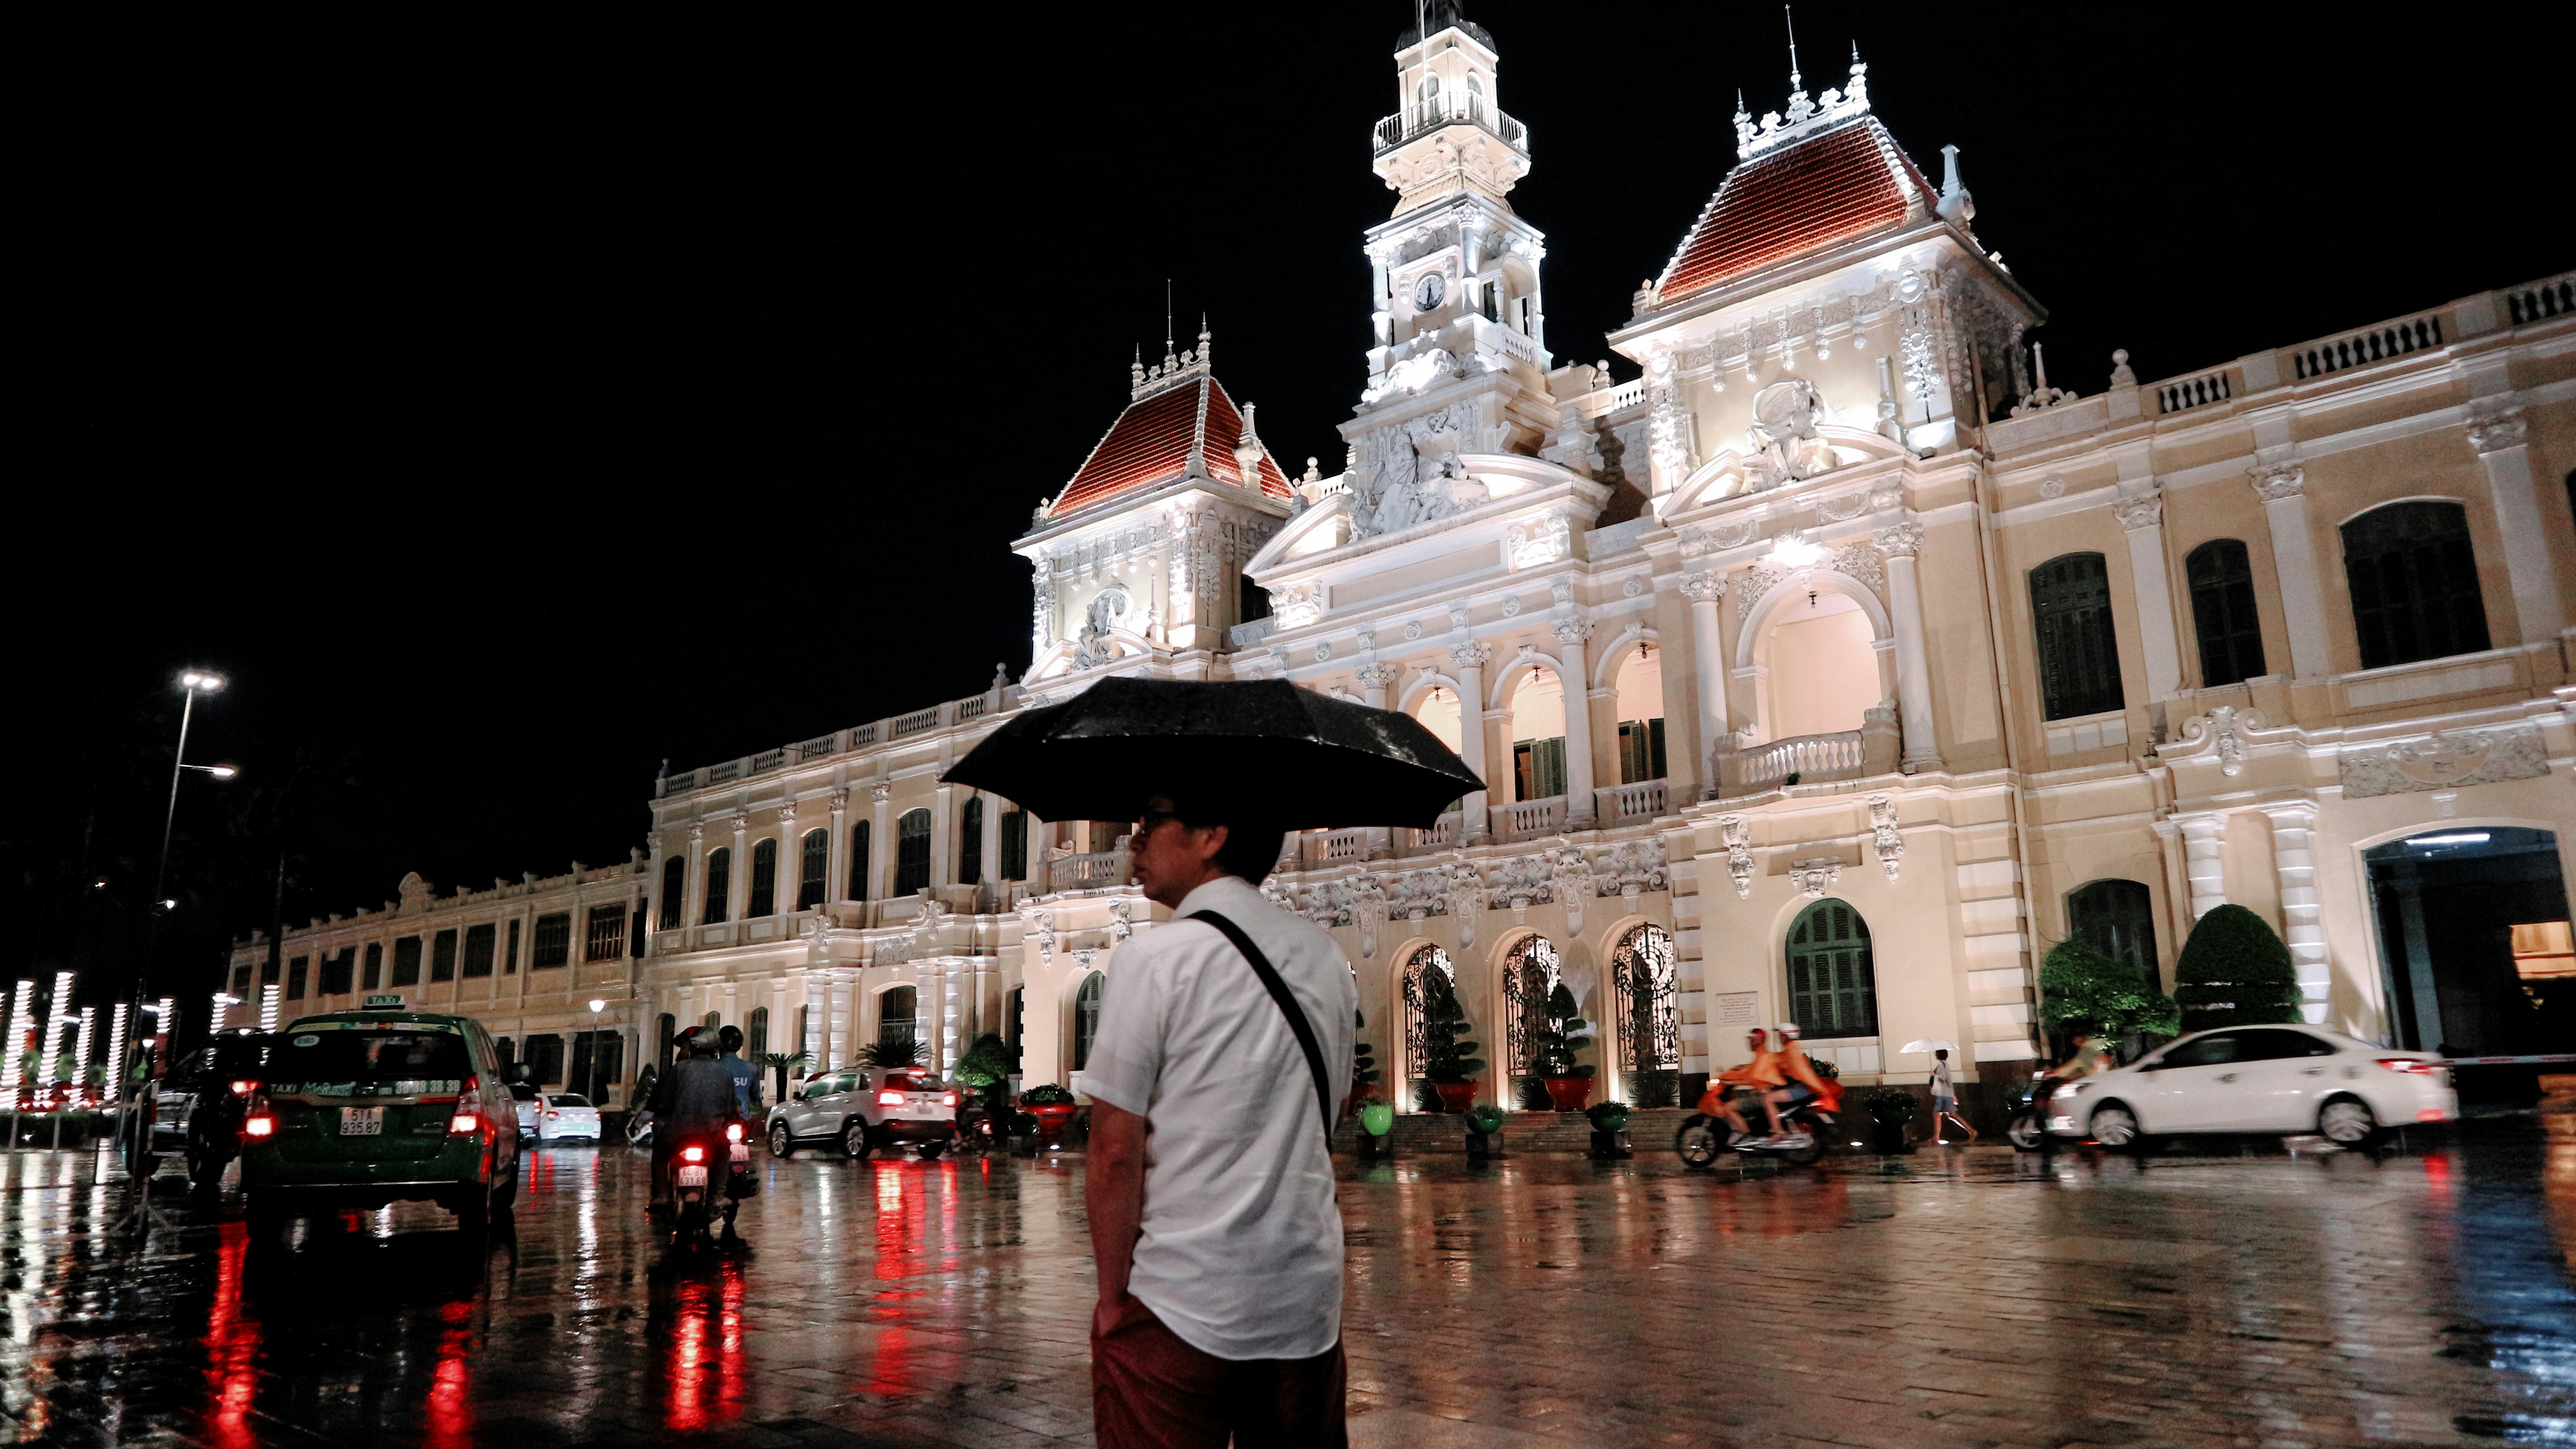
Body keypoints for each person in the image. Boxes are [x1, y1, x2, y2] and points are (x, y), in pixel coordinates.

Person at [1082, 792, 1356, 1448]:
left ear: (1211, 835)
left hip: (1183, 1298)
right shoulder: (1326, 957)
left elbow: (1114, 1153)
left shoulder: (1155, 959)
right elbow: (1334, 1112)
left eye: (1150, 825)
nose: (1134, 843)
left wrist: (1114, 1301)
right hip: (1305, 1305)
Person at [646, 1028, 738, 1216]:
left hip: (678, 1131)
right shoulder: (724, 1073)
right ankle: (717, 1196)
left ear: (692, 1049)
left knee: (660, 1151)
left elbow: (663, 1102)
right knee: (724, 1152)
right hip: (712, 1133)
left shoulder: (678, 1070)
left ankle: (662, 1194)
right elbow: (731, 1109)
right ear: (715, 1051)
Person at [1700, 1027, 1787, 1143]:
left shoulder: (1764, 1056)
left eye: (1752, 1040)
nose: (1750, 1043)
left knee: (1728, 1107)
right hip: (1761, 1093)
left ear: (1759, 1040)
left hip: (1762, 1095)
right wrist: (1735, 1071)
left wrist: (1731, 1082)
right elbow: (1751, 1070)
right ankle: (1739, 1131)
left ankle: (1746, 1134)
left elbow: (1753, 1078)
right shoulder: (1761, 1055)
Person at [1762, 1024, 1843, 1147]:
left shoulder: (1792, 1052)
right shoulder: (1790, 1050)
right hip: (1798, 1087)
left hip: (1800, 1089)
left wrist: (1820, 1089)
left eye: (1781, 1035)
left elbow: (1804, 1073)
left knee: (1768, 1098)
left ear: (1787, 1036)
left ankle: (1778, 1131)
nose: (1779, 1038)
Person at [1926, 1047, 1977, 1144]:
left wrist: (1934, 1074)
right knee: (1943, 1114)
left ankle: (1972, 1131)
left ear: (1938, 1055)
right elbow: (1949, 1080)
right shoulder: (1945, 1065)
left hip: (1944, 1094)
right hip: (1945, 1094)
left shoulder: (1942, 1065)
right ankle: (1937, 1136)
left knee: (1946, 1114)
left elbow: (1943, 1078)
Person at [717, 1024, 761, 1119]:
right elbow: (755, 1096)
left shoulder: (713, 1068)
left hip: (719, 1122)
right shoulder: (751, 1068)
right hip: (743, 1121)